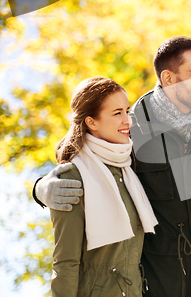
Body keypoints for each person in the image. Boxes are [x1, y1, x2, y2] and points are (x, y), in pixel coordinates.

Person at [34, 37, 191, 297]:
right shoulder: (135, 127)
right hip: (160, 287)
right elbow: (91, 161)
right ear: (168, 79)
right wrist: (41, 187)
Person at [49, 77, 158, 297]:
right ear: (92, 122)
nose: (127, 120)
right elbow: (66, 261)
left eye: (127, 111)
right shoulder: (73, 176)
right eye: (117, 113)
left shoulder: (130, 168)